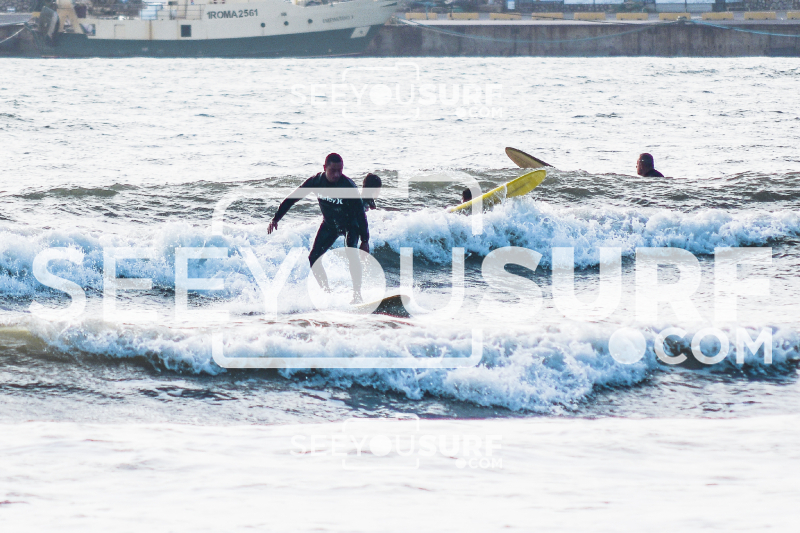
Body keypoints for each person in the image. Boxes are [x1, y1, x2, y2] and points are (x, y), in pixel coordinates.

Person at [267, 153, 369, 303]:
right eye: (333, 170)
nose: (337, 174)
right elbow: (292, 199)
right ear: (324, 168)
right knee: (313, 258)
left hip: (350, 224)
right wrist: (276, 218)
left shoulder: (348, 186)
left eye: (340, 170)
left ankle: (357, 296)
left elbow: (360, 215)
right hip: (330, 225)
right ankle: (327, 292)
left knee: (351, 253)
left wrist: (365, 240)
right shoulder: (316, 181)